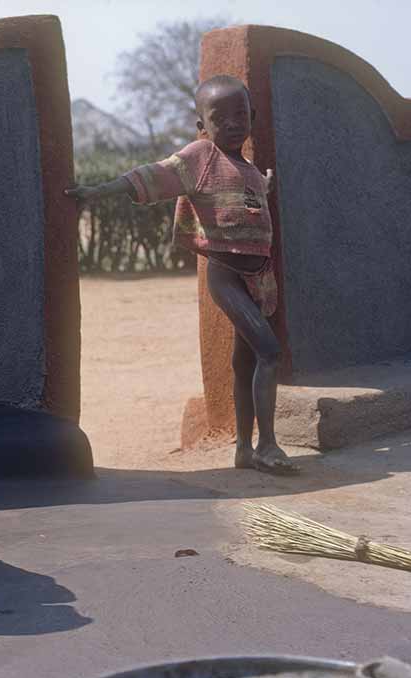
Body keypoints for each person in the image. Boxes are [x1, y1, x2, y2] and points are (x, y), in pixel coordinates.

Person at [64, 75, 299, 475]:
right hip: (225, 274)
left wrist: (266, 186)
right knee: (270, 351)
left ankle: (244, 450)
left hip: (259, 277)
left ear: (252, 117)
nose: (231, 123)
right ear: (201, 126)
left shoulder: (249, 169)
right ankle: (269, 444)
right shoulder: (200, 158)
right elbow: (150, 175)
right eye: (218, 117)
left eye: (239, 114)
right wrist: (96, 191)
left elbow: (249, 202)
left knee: (245, 362)